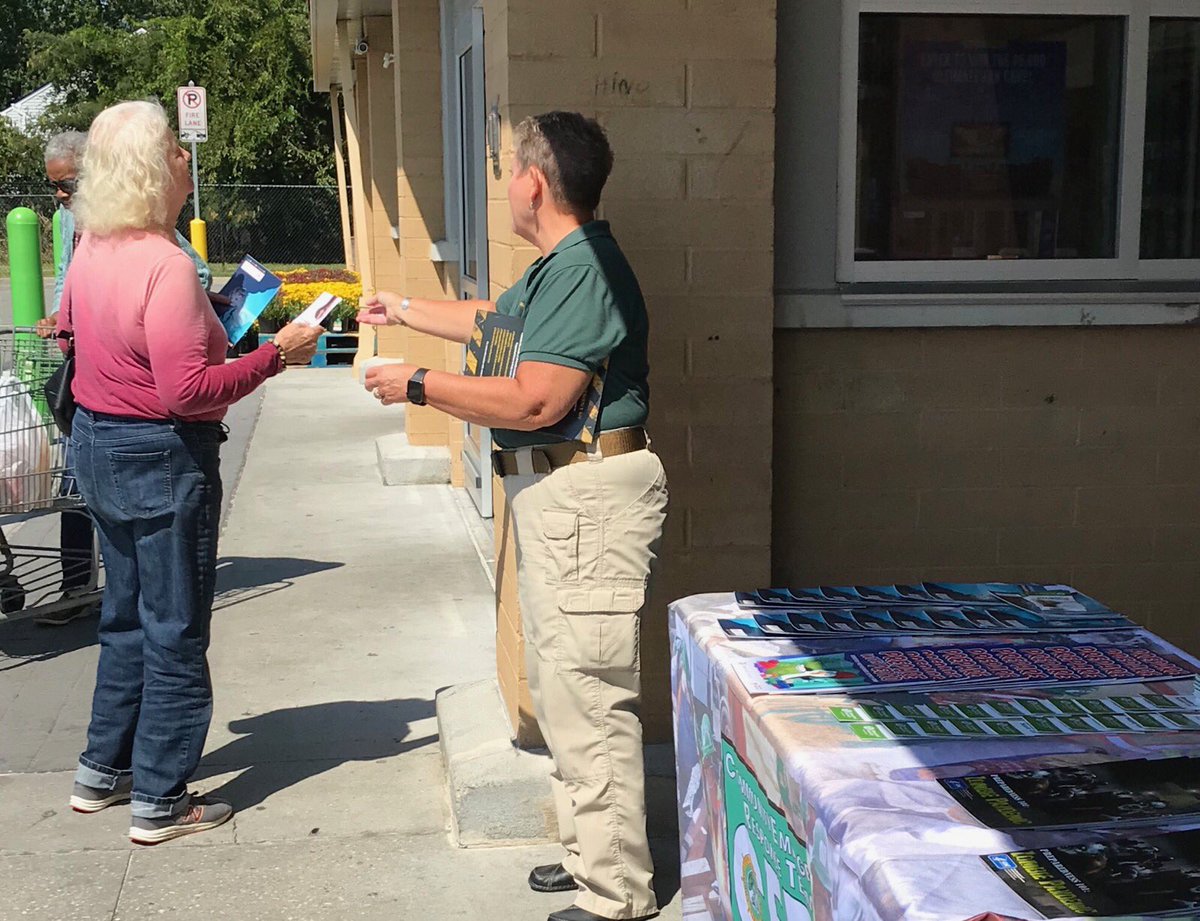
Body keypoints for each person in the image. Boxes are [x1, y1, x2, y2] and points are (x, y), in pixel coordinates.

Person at [360, 111, 668, 921]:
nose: (501, 186)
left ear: (533, 182)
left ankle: (616, 896)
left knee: (588, 696)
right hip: (563, 495)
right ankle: (587, 856)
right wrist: (403, 309)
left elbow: (536, 397)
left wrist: (417, 385)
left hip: (588, 492)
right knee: (562, 686)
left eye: (504, 171)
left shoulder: (586, 267)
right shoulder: (558, 266)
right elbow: (494, 326)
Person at [59, 100, 320, 844]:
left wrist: (207, 316)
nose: (184, 158)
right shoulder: (166, 262)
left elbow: (91, 335)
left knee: (126, 616)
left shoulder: (93, 248)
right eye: (174, 147)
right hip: (160, 455)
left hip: (99, 445)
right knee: (174, 628)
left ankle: (101, 772)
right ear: (151, 167)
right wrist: (277, 354)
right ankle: (161, 800)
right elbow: (189, 392)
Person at [35, 130, 212, 625]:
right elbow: (69, 280)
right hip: (96, 397)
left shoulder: (144, 231)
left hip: (140, 407)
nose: (61, 196)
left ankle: (96, 592)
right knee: (79, 484)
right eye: (56, 188)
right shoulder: (78, 224)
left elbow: (195, 275)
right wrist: (62, 319)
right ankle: (79, 588)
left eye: (68, 185)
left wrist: (126, 316)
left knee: (160, 617)